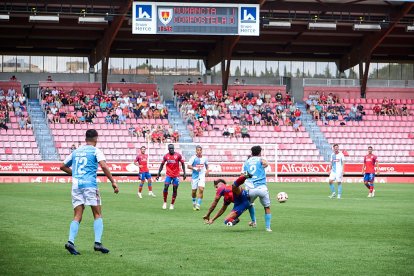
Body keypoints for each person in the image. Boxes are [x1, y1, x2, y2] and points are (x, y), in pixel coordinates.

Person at [60, 129, 119, 255]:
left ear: (85, 138)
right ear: (96, 139)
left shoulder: (76, 151)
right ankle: (97, 243)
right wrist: (113, 182)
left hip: (76, 185)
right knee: (97, 214)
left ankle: (70, 241)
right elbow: (103, 166)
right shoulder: (96, 151)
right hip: (90, 185)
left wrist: (75, 174)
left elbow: (63, 166)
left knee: (77, 215)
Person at [242, 146, 272, 232]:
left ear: (251, 152)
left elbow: (244, 175)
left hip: (251, 188)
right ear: (260, 152)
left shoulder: (247, 162)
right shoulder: (261, 159)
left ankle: (253, 221)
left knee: (250, 204)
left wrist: (250, 177)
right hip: (262, 188)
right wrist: (263, 162)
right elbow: (266, 164)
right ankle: (268, 228)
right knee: (267, 207)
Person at [156, 144, 186, 210]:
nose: (172, 149)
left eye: (172, 148)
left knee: (175, 189)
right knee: (166, 187)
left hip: (176, 175)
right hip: (169, 175)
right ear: (168, 149)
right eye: (170, 148)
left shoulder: (178, 155)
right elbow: (162, 165)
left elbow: (183, 164)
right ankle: (165, 202)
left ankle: (172, 204)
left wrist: (184, 173)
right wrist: (158, 174)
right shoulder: (166, 156)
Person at [187, 146, 209, 211]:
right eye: (198, 150)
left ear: (202, 151)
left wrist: (207, 170)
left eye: (200, 150)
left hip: (202, 176)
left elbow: (207, 165)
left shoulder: (204, 158)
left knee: (201, 189)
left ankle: (198, 205)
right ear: (196, 151)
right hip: (195, 177)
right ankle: (194, 203)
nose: (199, 151)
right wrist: (195, 168)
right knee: (194, 192)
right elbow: (188, 166)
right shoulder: (193, 158)